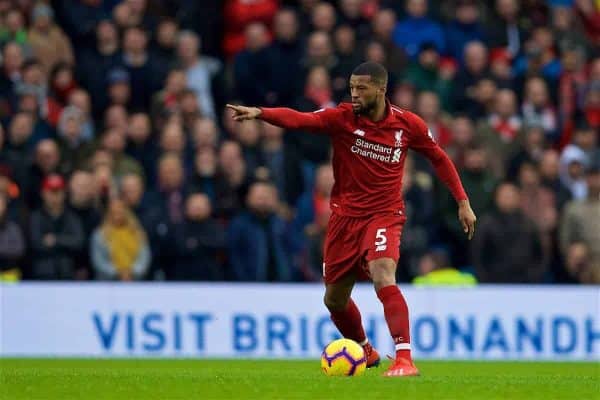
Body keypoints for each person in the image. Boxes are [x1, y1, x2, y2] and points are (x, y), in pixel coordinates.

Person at [226, 61, 476, 377]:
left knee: (383, 272)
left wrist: (463, 202)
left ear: (381, 90)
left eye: (362, 88)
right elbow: (300, 120)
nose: (354, 94)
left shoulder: (407, 124)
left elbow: (439, 158)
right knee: (334, 299)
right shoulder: (341, 118)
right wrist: (262, 113)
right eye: (352, 87)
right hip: (344, 219)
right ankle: (366, 350)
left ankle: (404, 358)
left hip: (385, 213)